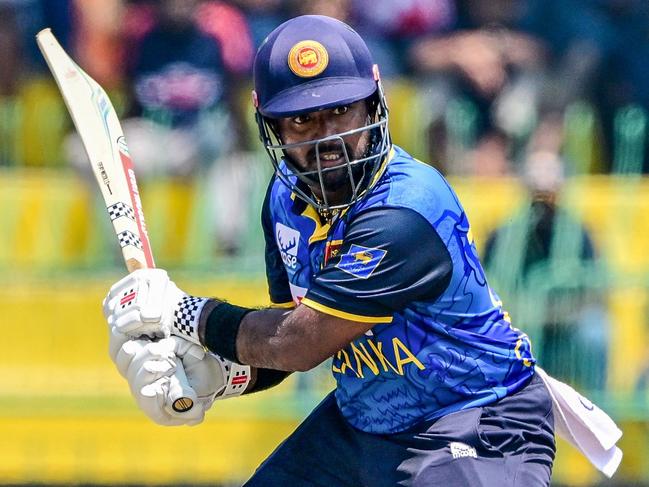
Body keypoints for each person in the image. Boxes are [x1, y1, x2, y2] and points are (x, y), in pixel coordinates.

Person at [103, 15, 617, 486]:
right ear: (272, 127)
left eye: (340, 113)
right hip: (363, 422)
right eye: (302, 122)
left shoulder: (406, 209)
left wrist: (183, 313)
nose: (327, 139)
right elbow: (285, 340)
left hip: (477, 420)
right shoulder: (283, 201)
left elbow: (299, 343)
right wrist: (218, 377)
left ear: (374, 104)